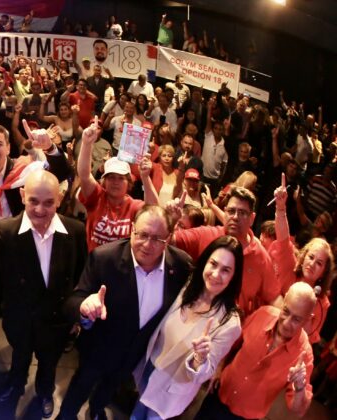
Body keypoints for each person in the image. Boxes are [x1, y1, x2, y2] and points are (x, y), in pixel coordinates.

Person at [0, 171, 87, 418]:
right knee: (20, 356)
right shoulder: (6, 229)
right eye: (33, 201)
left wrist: (76, 317)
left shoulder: (75, 230)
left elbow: (81, 274)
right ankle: (16, 384)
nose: (40, 209)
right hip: (20, 319)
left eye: (48, 202)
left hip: (56, 319)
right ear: (22, 195)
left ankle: (45, 393)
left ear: (59, 199)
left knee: (49, 363)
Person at [57, 205, 194, 420]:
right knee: (80, 387)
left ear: (168, 238)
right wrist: (84, 307)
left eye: (157, 239)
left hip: (134, 355)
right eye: (142, 235)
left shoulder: (181, 266)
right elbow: (73, 301)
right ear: (132, 229)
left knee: (108, 389)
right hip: (98, 348)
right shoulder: (104, 258)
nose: (147, 245)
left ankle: (96, 410)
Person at [132, 236, 244, 419]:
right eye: (213, 264)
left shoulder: (230, 323)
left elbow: (204, 373)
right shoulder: (189, 285)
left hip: (171, 388)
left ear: (234, 277)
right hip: (150, 367)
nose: (216, 274)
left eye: (226, 270)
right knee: (136, 414)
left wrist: (200, 358)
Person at [196, 282, 316, 419]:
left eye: (296, 319)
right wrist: (218, 367)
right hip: (218, 394)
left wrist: (300, 388)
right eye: (286, 311)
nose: (286, 322)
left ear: (308, 319)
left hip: (245, 417)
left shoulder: (304, 354)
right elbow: (232, 342)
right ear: (285, 299)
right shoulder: (263, 314)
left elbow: (298, 410)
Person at [169, 186, 279, 315]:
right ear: (225, 212)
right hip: (192, 315)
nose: (235, 217)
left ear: (252, 218)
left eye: (242, 213)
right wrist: (171, 220)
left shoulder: (261, 257)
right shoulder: (205, 234)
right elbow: (169, 241)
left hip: (233, 324)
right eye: (231, 211)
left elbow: (274, 298)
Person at [77, 117, 158, 250]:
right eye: (111, 177)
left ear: (129, 182)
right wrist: (86, 143)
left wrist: (145, 177)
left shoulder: (133, 206)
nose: (116, 182)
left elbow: (153, 210)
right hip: (94, 261)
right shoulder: (97, 197)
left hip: (122, 262)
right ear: (104, 181)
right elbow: (84, 175)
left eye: (121, 178)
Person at [270, 174, 333, 343]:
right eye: (311, 257)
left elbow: (310, 340)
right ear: (303, 257)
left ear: (324, 272)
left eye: (319, 263)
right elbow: (283, 239)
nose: (312, 264)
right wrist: (281, 208)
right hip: (266, 329)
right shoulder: (290, 268)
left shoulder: (322, 304)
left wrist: (307, 320)